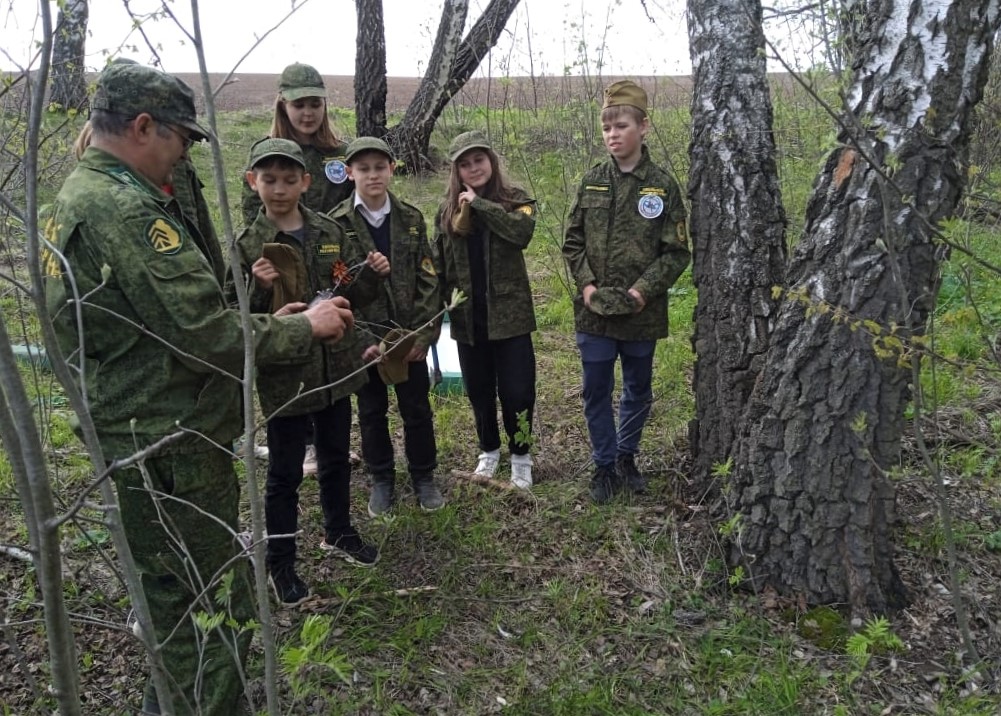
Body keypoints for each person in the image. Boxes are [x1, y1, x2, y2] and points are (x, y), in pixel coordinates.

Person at [43, 63, 356, 715]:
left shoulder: (74, 193)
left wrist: (267, 321)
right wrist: (306, 330)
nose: (184, 152)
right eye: (181, 137)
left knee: (168, 601)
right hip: (169, 444)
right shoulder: (126, 210)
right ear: (141, 126)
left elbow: (155, 323)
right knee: (214, 606)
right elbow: (205, 335)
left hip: (132, 430)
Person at [234, 138, 387, 603]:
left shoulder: (328, 231)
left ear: (305, 182)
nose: (279, 190)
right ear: (253, 182)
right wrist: (258, 290)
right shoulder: (248, 246)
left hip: (335, 367)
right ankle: (280, 561)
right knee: (285, 472)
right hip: (286, 374)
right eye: (269, 179)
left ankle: (338, 531)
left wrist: (372, 273)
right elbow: (236, 319)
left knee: (337, 455)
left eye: (288, 179)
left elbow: (353, 296)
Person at [562, 80, 691, 504]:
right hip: (595, 313)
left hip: (642, 313)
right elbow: (573, 242)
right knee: (596, 389)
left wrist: (642, 292)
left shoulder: (662, 186)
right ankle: (603, 464)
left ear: (644, 126)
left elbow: (676, 252)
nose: (612, 135)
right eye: (606, 128)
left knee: (638, 388)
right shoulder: (592, 181)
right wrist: (586, 285)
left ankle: (626, 455)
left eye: (620, 126)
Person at [241, 62, 355, 476]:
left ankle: (329, 440)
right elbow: (254, 217)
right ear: (282, 105)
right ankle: (303, 444)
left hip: (329, 258)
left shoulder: (339, 156)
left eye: (314, 104)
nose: (307, 113)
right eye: (298, 105)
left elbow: (351, 211)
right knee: (293, 345)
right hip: (285, 260)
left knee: (332, 349)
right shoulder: (267, 154)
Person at [328, 137, 444, 515]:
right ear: (349, 173)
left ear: (392, 169)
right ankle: (382, 478)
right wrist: (361, 339)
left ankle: (424, 475)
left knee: (417, 409)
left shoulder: (410, 218)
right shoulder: (336, 224)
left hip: (408, 335)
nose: (373, 175)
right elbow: (336, 288)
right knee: (372, 411)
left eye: (380, 167)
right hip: (366, 340)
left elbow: (428, 279)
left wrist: (423, 334)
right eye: (363, 169)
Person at [433, 130, 538, 489]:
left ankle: (521, 456)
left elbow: (520, 233)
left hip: (510, 318)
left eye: (479, 160)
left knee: (518, 391)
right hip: (469, 319)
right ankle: (488, 451)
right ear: (456, 171)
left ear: (491, 161)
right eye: (465, 163)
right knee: (479, 391)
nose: (474, 167)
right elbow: (440, 264)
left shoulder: (516, 200)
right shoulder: (447, 211)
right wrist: (438, 309)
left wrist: (479, 204)